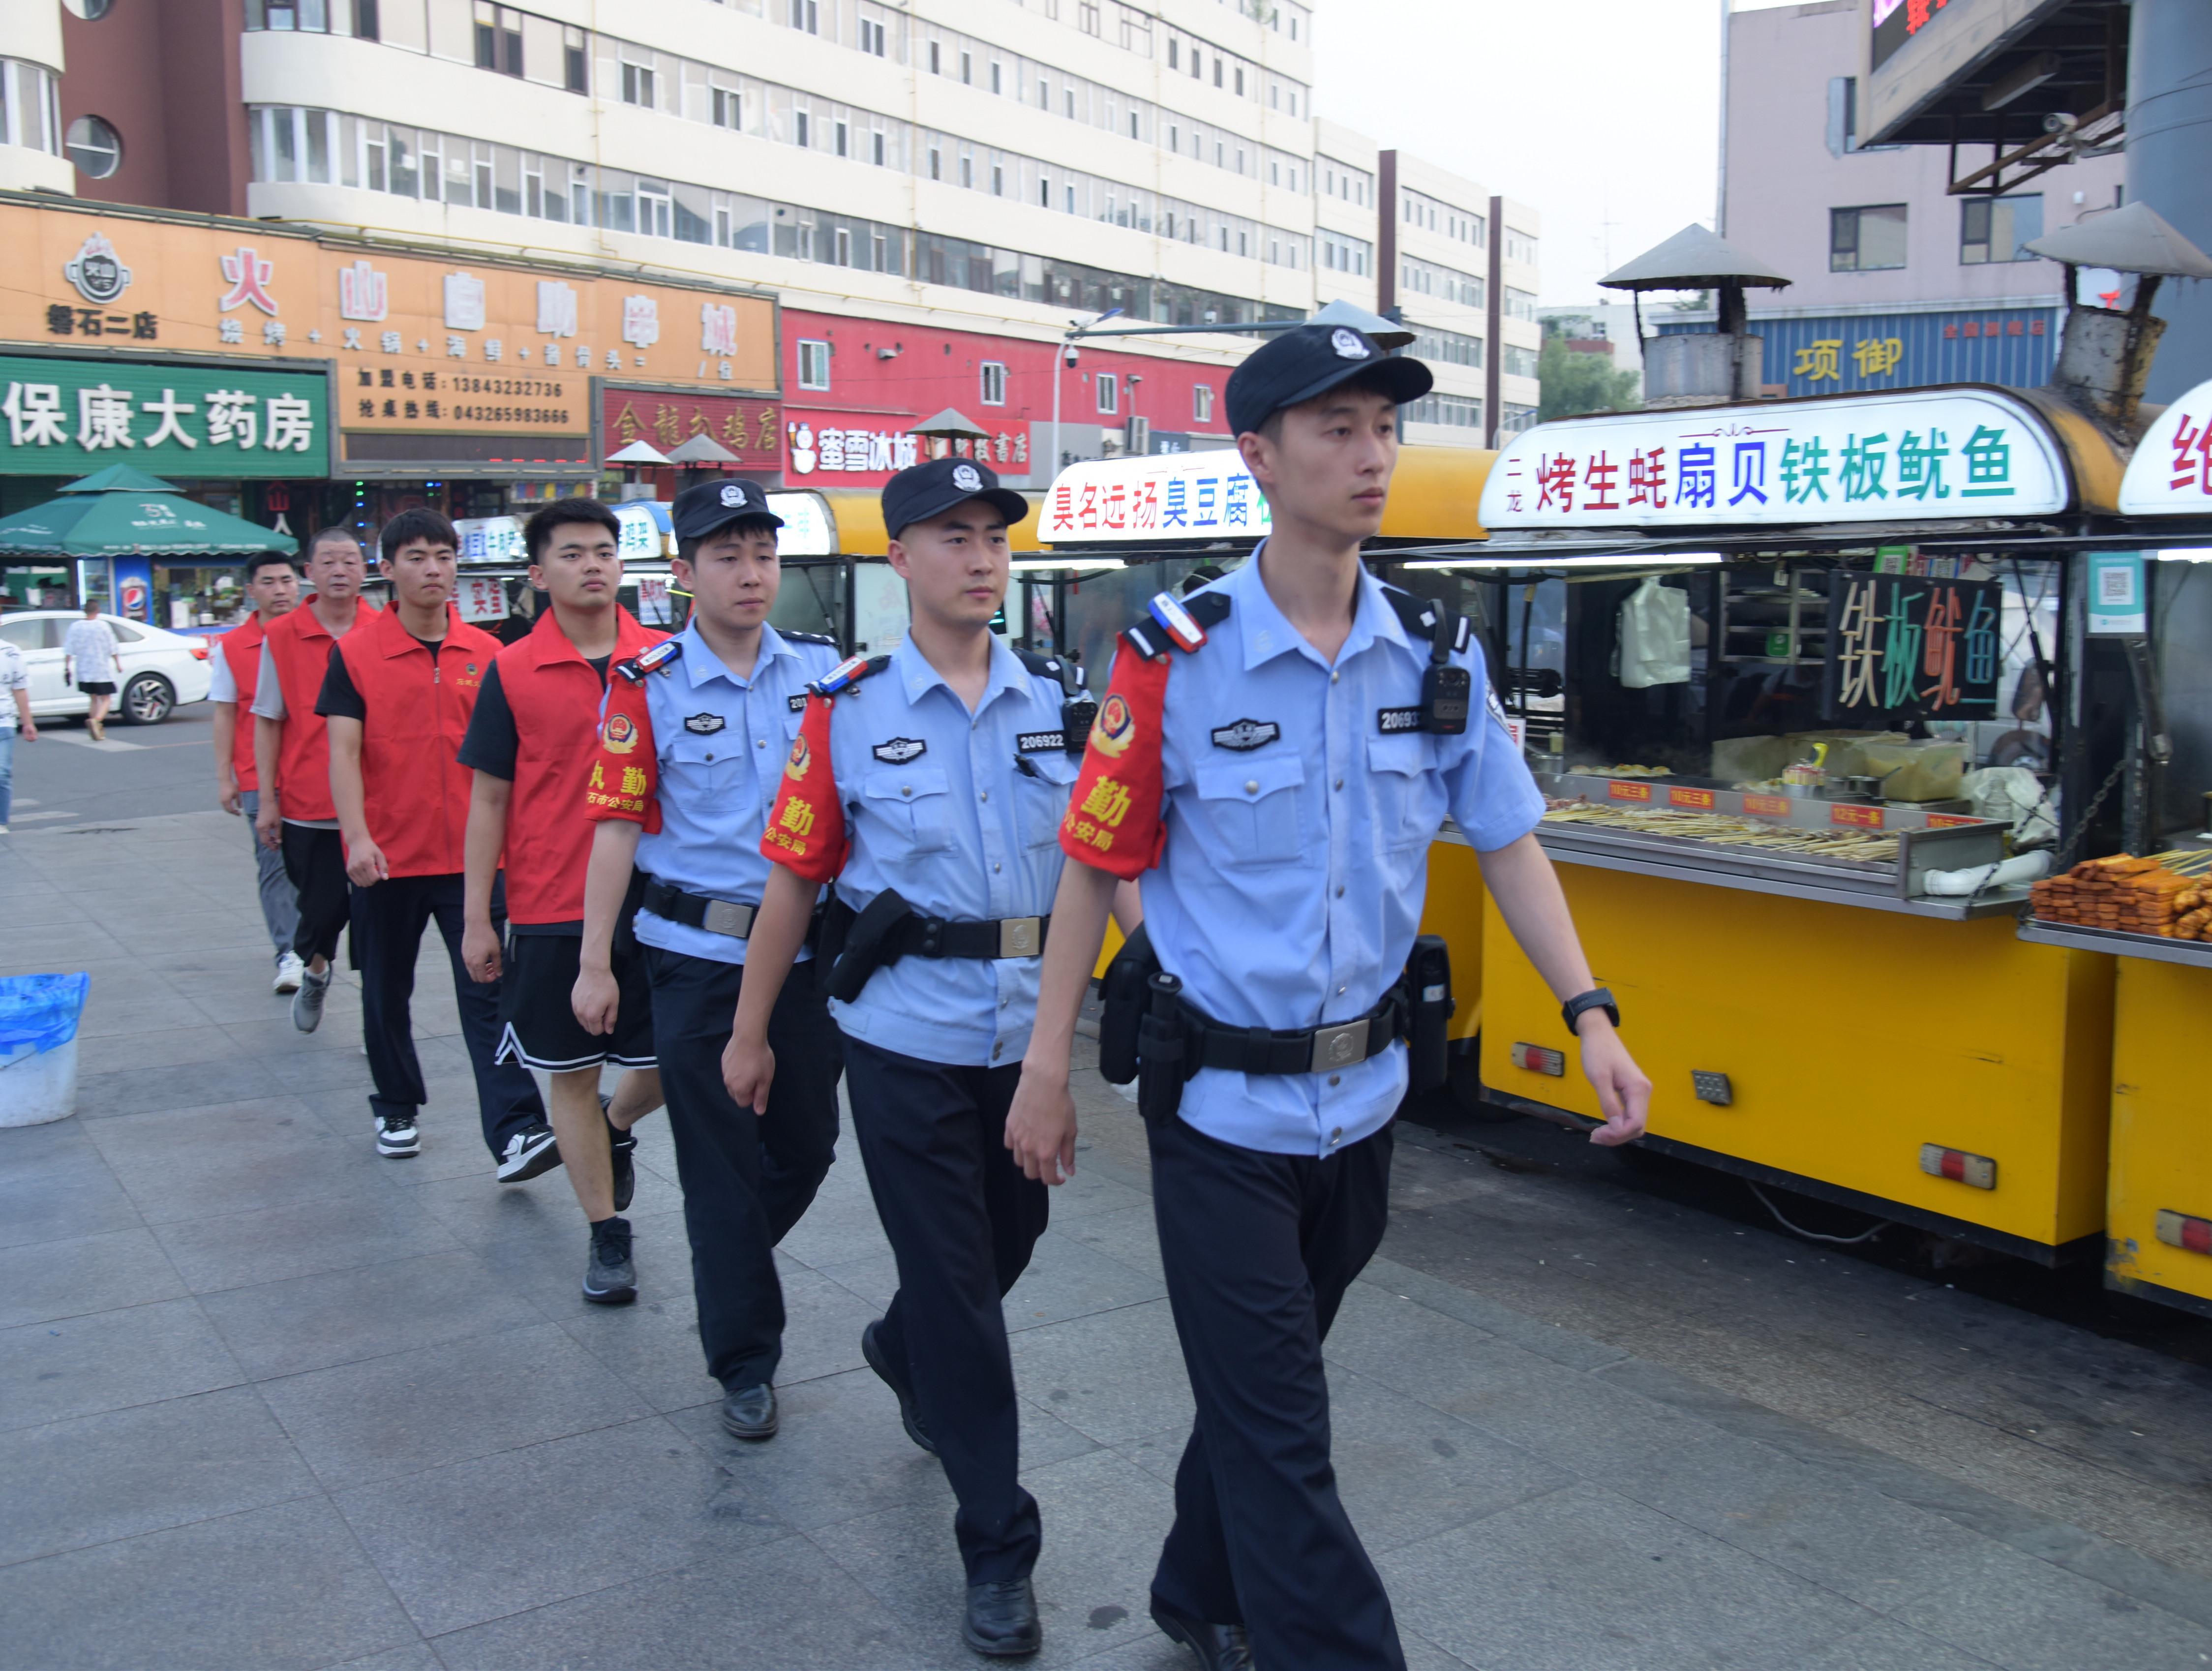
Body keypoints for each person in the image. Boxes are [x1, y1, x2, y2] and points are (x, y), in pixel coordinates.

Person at [1005, 325, 1655, 1671]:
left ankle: (1195, 1584)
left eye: (1382, 427)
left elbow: (1510, 836)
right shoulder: (1174, 654)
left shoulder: (1434, 648)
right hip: (1222, 1114)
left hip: (1364, 1105)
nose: (1372, 456)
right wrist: (1045, 1065)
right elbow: (1094, 864)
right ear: (1260, 453)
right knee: (1287, 1432)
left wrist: (1590, 1011)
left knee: (1262, 1398)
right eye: (1336, 429)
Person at [727, 457, 1135, 1662]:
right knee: (962, 1288)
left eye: (993, 538)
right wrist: (751, 1032)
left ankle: (898, 1347)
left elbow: (1098, 866)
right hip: (902, 1038)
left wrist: (1158, 980)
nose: (979, 558)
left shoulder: (1066, 703)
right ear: (898, 558)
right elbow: (795, 875)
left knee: (1009, 1245)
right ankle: (997, 1544)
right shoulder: (844, 709)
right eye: (950, 537)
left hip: (1027, 1039)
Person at [575, 481, 842, 1417]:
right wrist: (593, 960)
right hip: (693, 960)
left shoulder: (822, 671)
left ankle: (722, 1260)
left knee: (808, 1148)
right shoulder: (644, 685)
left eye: (763, 555)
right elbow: (613, 825)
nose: (751, 573)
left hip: (808, 959)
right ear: (685, 574)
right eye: (727, 557)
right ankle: (744, 1362)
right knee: (719, 1163)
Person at [461, 498, 667, 1294]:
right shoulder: (511, 670)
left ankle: (617, 1126)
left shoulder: (667, 658)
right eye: (574, 552)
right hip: (550, 901)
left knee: (679, 1062)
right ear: (538, 572)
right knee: (570, 1072)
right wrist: (481, 914)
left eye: (606, 551)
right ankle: (606, 1234)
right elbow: (487, 800)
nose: (594, 565)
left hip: (660, 895)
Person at [318, 508, 551, 1170]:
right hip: (386, 860)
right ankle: (396, 1105)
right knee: (386, 991)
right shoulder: (355, 655)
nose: (433, 569)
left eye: (443, 557)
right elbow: (342, 753)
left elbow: (515, 762)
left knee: (489, 992)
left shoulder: (490, 654)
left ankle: (515, 1129)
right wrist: (356, 838)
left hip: (475, 865)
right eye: (416, 557)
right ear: (387, 570)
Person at [255, 528, 378, 1033]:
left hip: (379, 806)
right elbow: (267, 718)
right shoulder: (282, 636)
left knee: (378, 922)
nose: (340, 570)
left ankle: (380, 1014)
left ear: (365, 570)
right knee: (323, 911)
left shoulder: (383, 630)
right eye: (328, 561)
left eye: (350, 560)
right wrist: (267, 798)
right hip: (309, 803)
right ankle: (316, 969)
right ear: (310, 572)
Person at [211, 552, 306, 994]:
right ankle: (289, 952)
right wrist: (225, 776)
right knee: (273, 866)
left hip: (315, 773)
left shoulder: (316, 633)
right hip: (259, 778)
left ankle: (318, 945)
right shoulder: (232, 646)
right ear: (252, 590)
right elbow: (225, 714)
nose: (280, 590)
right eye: (268, 582)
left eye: (287, 580)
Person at [62, 599, 120, 741]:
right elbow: (112, 646)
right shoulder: (103, 626)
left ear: (85, 611)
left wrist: (67, 667)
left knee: (93, 698)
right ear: (98, 610)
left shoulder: (75, 627)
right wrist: (118, 663)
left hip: (84, 670)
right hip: (101, 669)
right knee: (106, 699)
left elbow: (69, 649)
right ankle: (97, 721)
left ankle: (96, 730)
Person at [0, 610, 36, 832]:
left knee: (2, 772)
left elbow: (20, 690)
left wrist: (28, 723)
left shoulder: (11, 653)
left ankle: (1, 821)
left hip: (4, 720)